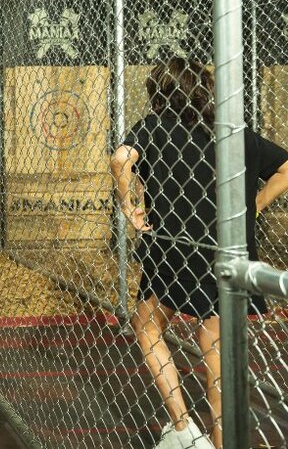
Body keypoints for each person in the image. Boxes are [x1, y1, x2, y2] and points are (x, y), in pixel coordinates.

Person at [110, 56, 288, 449]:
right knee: (219, 358)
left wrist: (129, 207)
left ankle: (183, 427)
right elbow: (286, 167)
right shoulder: (232, 131)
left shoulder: (156, 126)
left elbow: (121, 158)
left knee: (149, 326)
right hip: (226, 251)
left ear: (159, 94)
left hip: (172, 249)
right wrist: (255, 205)